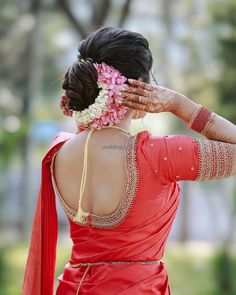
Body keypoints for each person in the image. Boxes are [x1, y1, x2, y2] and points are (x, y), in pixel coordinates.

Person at [23, 26, 236, 295]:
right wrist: (179, 105)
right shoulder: (159, 155)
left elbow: (94, 146)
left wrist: (85, 112)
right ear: (140, 85)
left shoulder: (59, 152)